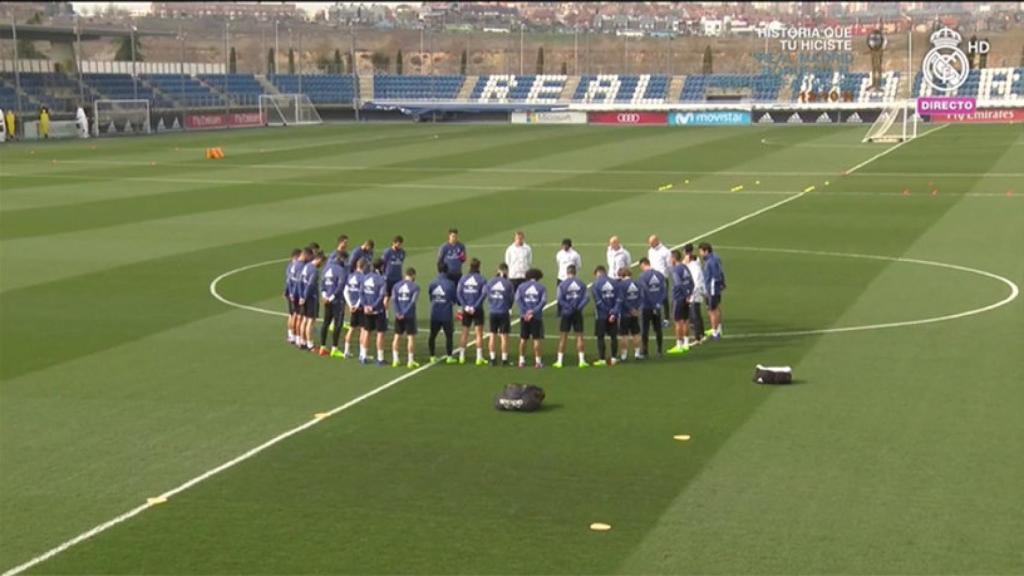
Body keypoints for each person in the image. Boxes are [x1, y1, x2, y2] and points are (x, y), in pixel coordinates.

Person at [554, 264, 590, 369]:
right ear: (575, 272)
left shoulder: (562, 284)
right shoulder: (581, 284)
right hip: (577, 313)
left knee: (563, 337)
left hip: (566, 313)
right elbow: (586, 298)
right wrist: (578, 307)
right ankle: (581, 361)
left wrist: (568, 307)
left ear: (567, 272)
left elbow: (559, 299)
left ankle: (559, 361)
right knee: (579, 336)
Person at [456, 258, 487, 366]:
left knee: (464, 332)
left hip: (466, 309)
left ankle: (461, 357)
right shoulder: (482, 279)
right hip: (477, 309)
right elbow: (483, 294)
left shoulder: (463, 279)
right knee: (479, 334)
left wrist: (465, 306)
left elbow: (459, 293)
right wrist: (475, 306)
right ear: (479, 267)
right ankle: (479, 357)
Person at [515, 268, 547, 369]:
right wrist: (533, 311)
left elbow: (518, 299)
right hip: (536, 317)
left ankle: (521, 361)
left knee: (523, 339)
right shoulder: (541, 287)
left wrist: (525, 312)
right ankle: (538, 362)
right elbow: (543, 301)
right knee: (536, 339)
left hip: (524, 317)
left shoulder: (521, 287)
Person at [318, 250, 348, 358]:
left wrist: (324, 296)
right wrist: (331, 298)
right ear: (342, 259)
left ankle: (322, 347)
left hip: (326, 300)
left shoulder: (326, 268)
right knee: (338, 324)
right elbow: (341, 286)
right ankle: (334, 348)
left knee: (326, 322)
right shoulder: (341, 270)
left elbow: (322, 284)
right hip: (337, 301)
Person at [485, 263, 515, 366]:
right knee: (504, 336)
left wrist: (493, 304)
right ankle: (504, 359)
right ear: (506, 271)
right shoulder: (508, 283)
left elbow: (488, 296)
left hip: (493, 311)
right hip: (503, 312)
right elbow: (511, 298)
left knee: (492, 335)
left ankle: (492, 359)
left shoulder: (490, 282)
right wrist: (508, 307)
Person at [359, 258, 388, 366]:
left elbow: (361, 293)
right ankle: (380, 358)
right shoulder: (381, 280)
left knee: (367, 332)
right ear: (381, 267)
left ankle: (363, 356)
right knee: (380, 333)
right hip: (378, 311)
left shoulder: (365, 278)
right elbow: (381, 296)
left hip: (366, 311)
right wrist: (373, 307)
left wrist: (365, 306)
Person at [427, 263, 458, 364]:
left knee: (432, 335)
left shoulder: (432, 283)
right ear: (447, 270)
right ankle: (449, 356)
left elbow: (431, 297)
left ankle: (432, 356)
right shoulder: (451, 284)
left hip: (435, 313)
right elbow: (454, 300)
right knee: (449, 336)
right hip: (446, 314)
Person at [390, 268, 420, 369]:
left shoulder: (396, 286)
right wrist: (404, 313)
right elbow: (412, 302)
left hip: (398, 316)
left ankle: (395, 360)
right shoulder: (415, 287)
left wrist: (398, 313)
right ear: (413, 275)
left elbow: (394, 300)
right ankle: (410, 361)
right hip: (409, 316)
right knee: (410, 338)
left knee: (396, 337)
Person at [591, 265, 620, 367]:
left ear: (598, 273)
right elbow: (618, 300)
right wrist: (613, 312)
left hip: (601, 315)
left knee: (600, 337)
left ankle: (602, 359)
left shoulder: (595, 285)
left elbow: (598, 302)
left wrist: (607, 312)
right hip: (613, 315)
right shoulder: (615, 283)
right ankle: (614, 358)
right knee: (613, 336)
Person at [667, 249, 695, 355]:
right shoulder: (685, 267)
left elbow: (678, 284)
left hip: (679, 298)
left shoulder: (675, 270)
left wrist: (685, 294)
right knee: (686, 320)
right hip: (686, 298)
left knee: (678, 321)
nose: (670, 260)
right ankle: (686, 343)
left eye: (671, 258)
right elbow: (692, 282)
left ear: (674, 258)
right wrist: (689, 294)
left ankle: (679, 345)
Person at [638, 257, 666, 358]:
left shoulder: (642, 276)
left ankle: (645, 351)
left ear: (643, 265)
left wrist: (652, 303)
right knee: (658, 329)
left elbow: (644, 292)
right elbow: (664, 291)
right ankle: (659, 350)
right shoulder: (660, 275)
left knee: (645, 329)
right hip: (657, 306)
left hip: (646, 306)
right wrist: (658, 303)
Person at [298, 250, 325, 352]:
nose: (321, 264)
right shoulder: (314, 270)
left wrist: (301, 296)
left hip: (304, 297)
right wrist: (304, 297)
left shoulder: (306, 266)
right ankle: (310, 344)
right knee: (310, 321)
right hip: (311, 298)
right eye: (322, 262)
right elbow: (309, 285)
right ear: (319, 259)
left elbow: (300, 281)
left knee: (304, 319)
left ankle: (302, 341)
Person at [699, 242, 726, 340]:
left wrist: (709, 290)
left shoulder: (711, 262)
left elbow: (716, 276)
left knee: (712, 310)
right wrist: (722, 283)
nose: (700, 253)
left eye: (701, 251)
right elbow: (721, 272)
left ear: (706, 251)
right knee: (716, 308)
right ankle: (718, 329)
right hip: (715, 288)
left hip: (712, 289)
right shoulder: (715, 257)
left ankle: (715, 332)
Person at [617, 268, 643, 361]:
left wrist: (630, 309)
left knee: (624, 335)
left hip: (625, 313)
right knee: (636, 333)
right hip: (635, 313)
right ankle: (637, 353)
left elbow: (622, 299)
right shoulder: (637, 284)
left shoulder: (621, 285)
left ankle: (624, 355)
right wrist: (636, 309)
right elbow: (641, 297)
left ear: (621, 275)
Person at [342, 259, 366, 359]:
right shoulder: (363, 278)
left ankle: (346, 351)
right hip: (360, 307)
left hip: (352, 307)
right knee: (363, 330)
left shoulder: (350, 276)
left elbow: (345, 291)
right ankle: (362, 354)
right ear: (364, 266)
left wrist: (350, 305)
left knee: (351, 328)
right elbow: (362, 293)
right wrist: (356, 305)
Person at [683, 244, 706, 345]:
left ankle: (698, 338)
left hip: (695, 294)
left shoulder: (694, 267)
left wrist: (690, 294)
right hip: (694, 293)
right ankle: (701, 334)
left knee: (695, 315)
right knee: (696, 315)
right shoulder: (691, 265)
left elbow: (696, 282)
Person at [647, 235, 673, 324]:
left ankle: (666, 318)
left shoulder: (665, 251)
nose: (650, 245)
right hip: (652, 277)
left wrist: (666, 275)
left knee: (664, 298)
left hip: (662, 278)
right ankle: (657, 317)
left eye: (651, 243)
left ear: (656, 241)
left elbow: (669, 266)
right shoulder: (650, 251)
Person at [284, 248, 303, 344]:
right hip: (294, 294)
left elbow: (288, 280)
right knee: (295, 315)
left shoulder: (290, 266)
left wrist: (287, 292)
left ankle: (291, 335)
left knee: (291, 315)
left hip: (290, 293)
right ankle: (294, 336)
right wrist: (291, 293)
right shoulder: (296, 266)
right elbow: (292, 281)